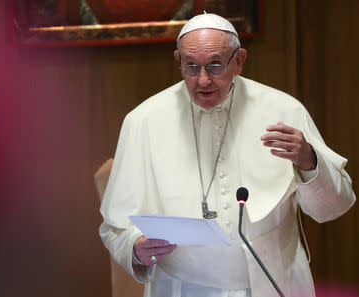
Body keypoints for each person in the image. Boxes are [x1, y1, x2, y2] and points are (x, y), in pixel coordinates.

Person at [99, 13, 356, 297]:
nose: (203, 80)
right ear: (178, 60)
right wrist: (135, 248)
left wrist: (309, 160)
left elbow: (334, 207)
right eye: (191, 67)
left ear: (240, 61)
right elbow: (115, 227)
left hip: (274, 282)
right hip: (182, 288)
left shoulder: (285, 110)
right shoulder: (143, 121)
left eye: (216, 65)